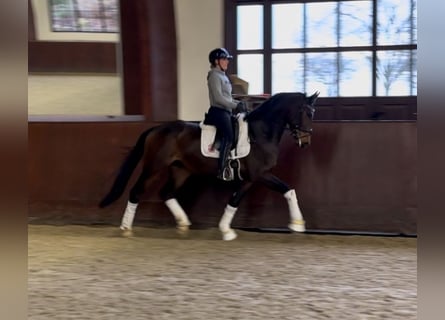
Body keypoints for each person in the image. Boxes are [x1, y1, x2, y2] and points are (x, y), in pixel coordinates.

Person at [206, 48, 246, 181]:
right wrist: (235, 105)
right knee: (228, 136)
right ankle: (221, 170)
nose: (227, 62)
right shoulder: (214, 75)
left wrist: (239, 103)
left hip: (226, 111)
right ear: (216, 61)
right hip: (218, 112)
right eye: (224, 59)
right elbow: (218, 98)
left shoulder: (223, 76)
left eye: (227, 59)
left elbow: (227, 97)